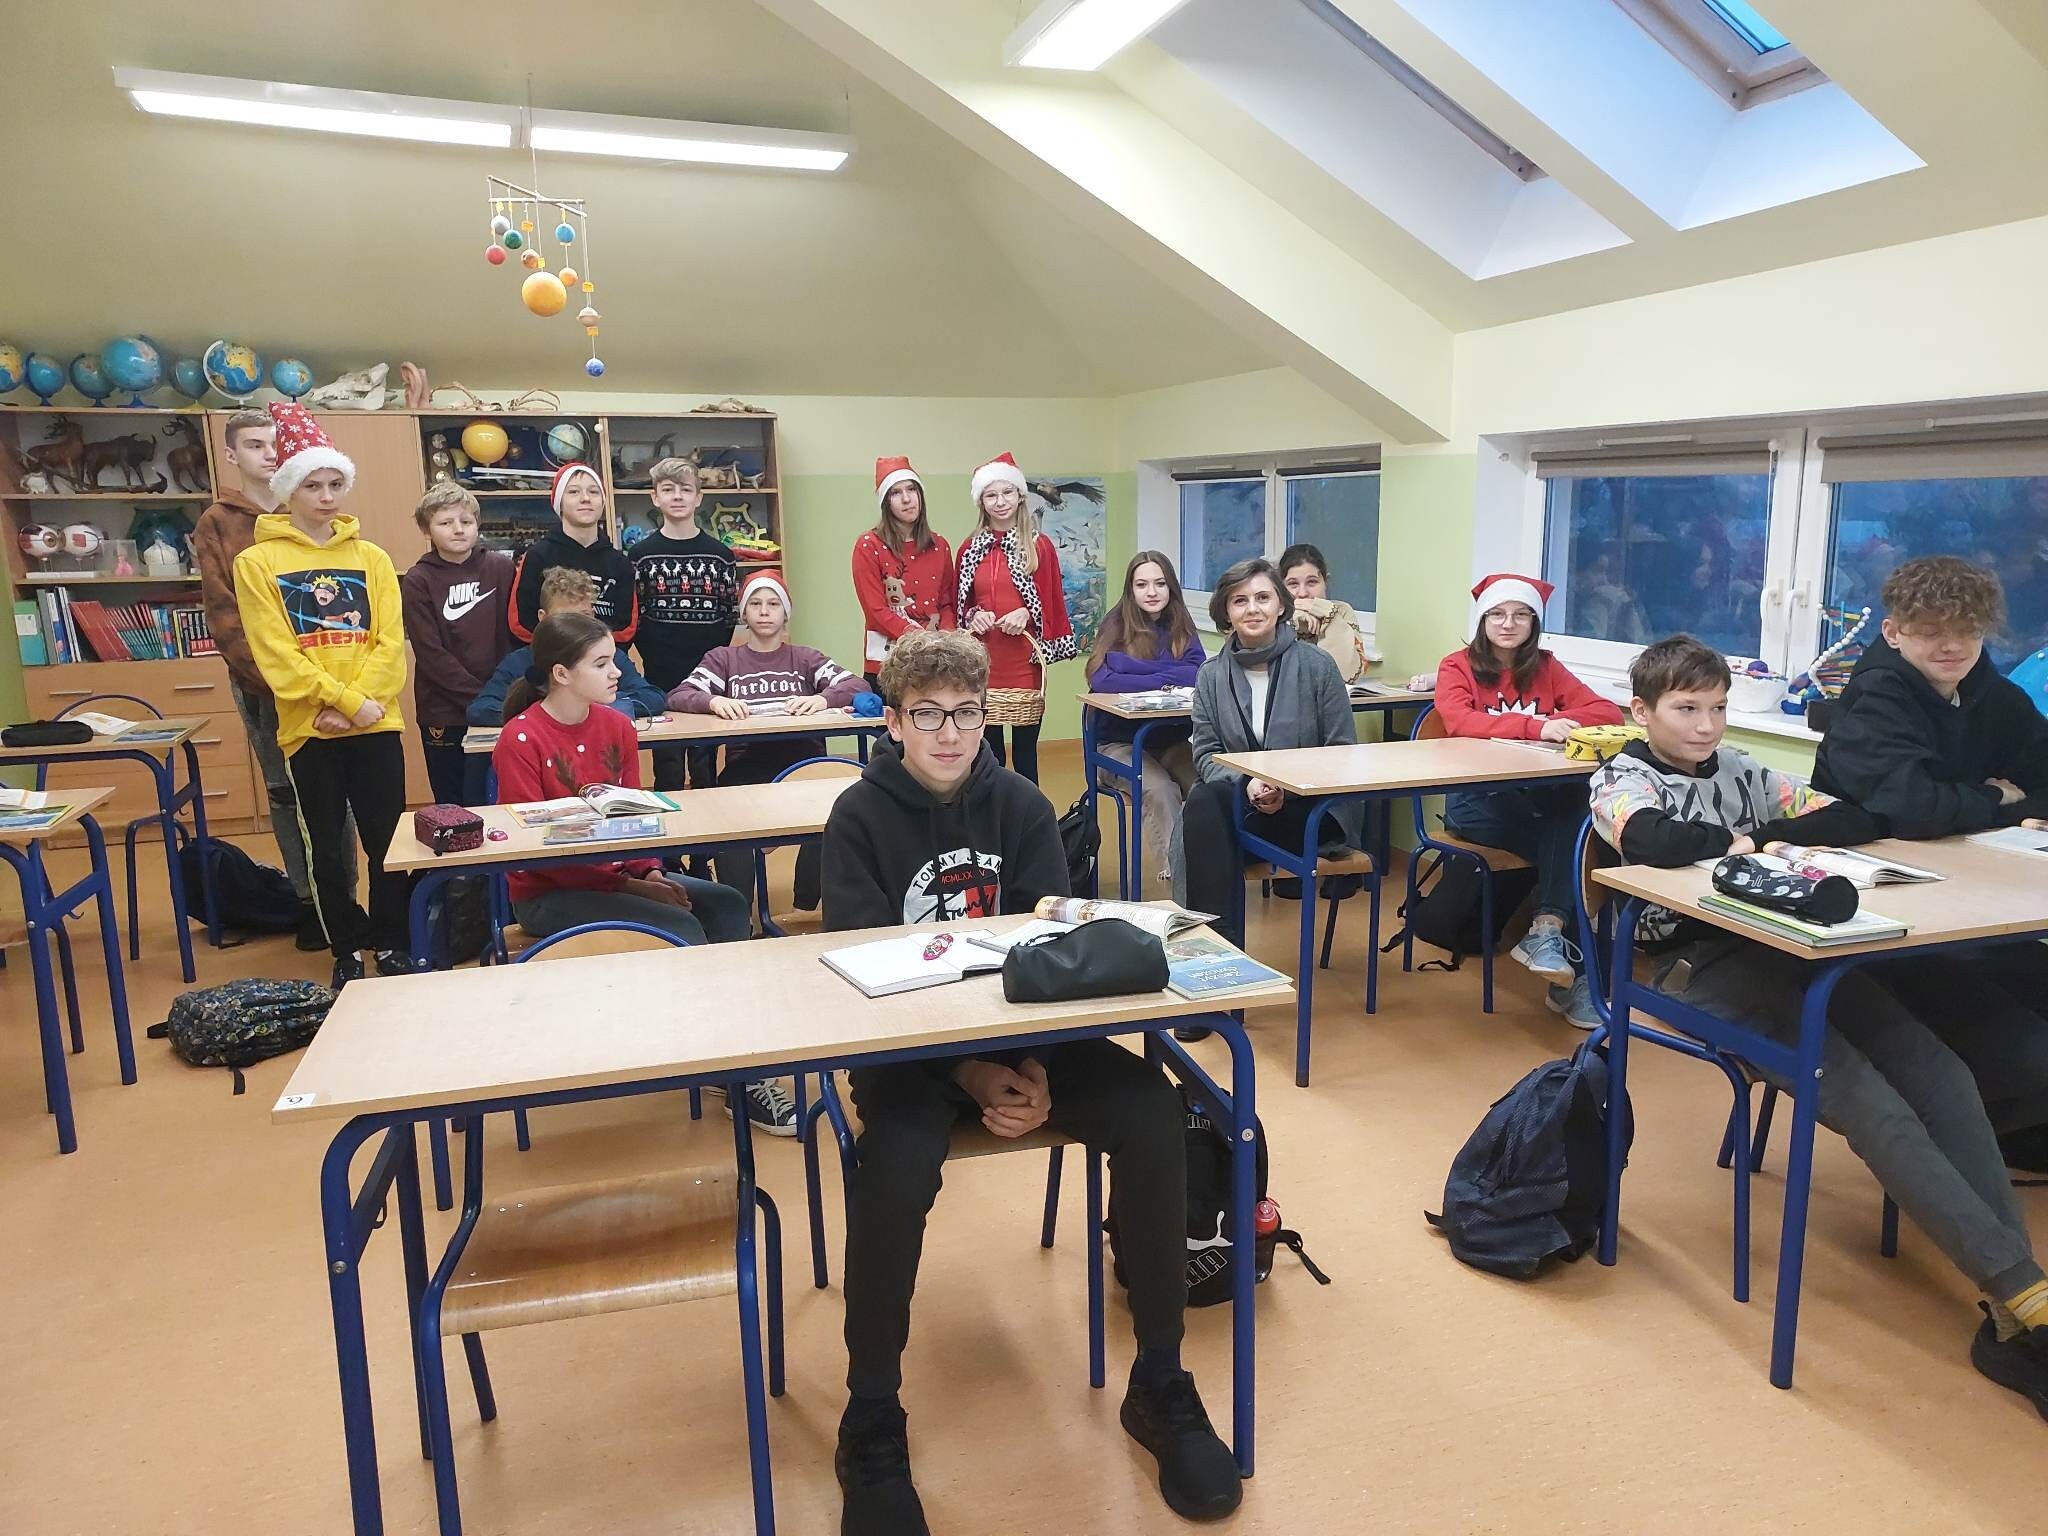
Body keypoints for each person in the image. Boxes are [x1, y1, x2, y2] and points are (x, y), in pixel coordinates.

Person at [820, 628, 1241, 1535]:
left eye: (966, 713)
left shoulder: (1018, 803)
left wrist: (1036, 1069)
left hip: (1027, 1044)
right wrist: (971, 1072)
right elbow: (860, 982)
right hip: (910, 1057)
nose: (949, 733)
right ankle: (871, 1411)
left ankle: (1160, 1378)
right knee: (894, 1161)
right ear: (892, 722)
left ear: (987, 716)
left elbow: (1054, 952)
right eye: (927, 714)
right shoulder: (857, 818)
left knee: (1151, 1108)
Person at [1591, 634, 2048, 1420]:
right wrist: (1754, 841)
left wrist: (1768, 839)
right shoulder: (1620, 777)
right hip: (1695, 967)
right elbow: (1657, 841)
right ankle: (2021, 1293)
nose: (1707, 727)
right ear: (1642, 711)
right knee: (1871, 1102)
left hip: (1794, 950)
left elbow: (1851, 815)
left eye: (1719, 709)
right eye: (1687, 709)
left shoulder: (1741, 770)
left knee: (1941, 1071)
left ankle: (2019, 1299)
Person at [490, 612, 776, 1130]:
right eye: (601, 663)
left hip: (619, 877)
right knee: (682, 926)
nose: (617, 672)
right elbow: (537, 855)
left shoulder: (618, 726)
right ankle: (726, 1065)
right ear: (561, 674)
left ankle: (730, 1045)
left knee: (728, 903)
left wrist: (650, 873)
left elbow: (635, 818)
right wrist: (634, 886)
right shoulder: (521, 738)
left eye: (614, 660)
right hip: (547, 893)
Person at [1811, 554, 2048, 999]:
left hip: (1966, 878)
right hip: (1875, 893)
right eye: (1932, 632)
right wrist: (1995, 799)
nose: (1952, 647)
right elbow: (1916, 812)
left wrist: (2019, 810)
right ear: (1893, 633)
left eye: (1967, 631)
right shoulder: (1874, 701)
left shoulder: (1989, 691)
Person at [231, 403, 410, 987]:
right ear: (289, 488)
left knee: (387, 839)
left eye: (336, 484)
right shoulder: (257, 562)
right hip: (310, 727)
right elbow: (275, 653)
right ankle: (346, 947)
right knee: (327, 845)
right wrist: (341, 703)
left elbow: (390, 643)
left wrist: (358, 706)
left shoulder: (372, 558)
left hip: (376, 722)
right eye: (313, 485)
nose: (327, 496)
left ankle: (392, 939)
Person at [192, 406, 354, 949]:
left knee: (336, 793)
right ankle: (309, 901)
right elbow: (225, 615)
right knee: (286, 793)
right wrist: (280, 682)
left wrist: (332, 685)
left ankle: (343, 897)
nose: (269, 454)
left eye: (274, 444)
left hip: (331, 682)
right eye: (255, 445)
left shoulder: (312, 506)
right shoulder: (219, 522)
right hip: (263, 685)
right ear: (232, 454)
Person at [1432, 572, 1622, 1028]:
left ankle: (1548, 934)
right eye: (1497, 614)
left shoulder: (1546, 667)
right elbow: (1459, 721)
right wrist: (1538, 726)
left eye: (1521, 615)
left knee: (1573, 826)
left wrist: (1563, 717)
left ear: (1534, 624)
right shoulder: (1457, 666)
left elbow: (1606, 712)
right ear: (1482, 621)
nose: (1508, 623)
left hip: (1533, 799)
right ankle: (1574, 979)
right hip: (1475, 801)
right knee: (1577, 853)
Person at [1176, 557, 1364, 971]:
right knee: (1205, 803)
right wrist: (1249, 784)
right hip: (1246, 804)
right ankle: (1217, 960)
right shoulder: (1211, 675)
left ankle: (1214, 961)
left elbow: (1341, 753)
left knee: (1208, 834)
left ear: (1281, 605)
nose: (1253, 609)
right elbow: (1205, 754)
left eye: (1263, 597)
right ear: (1226, 612)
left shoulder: (1317, 666)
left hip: (1311, 809)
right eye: (1240, 600)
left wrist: (1285, 789)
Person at [668, 571, 865, 903]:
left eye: (773, 604)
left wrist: (823, 699)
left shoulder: (806, 658)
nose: (763, 611)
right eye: (755, 604)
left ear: (785, 613)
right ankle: (739, 910)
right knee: (729, 819)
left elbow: (856, 685)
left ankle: (807, 904)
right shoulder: (723, 659)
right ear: (743, 613)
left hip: (806, 765)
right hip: (747, 766)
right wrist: (713, 701)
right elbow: (679, 695)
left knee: (840, 806)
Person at [1087, 551, 1207, 896]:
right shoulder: (1116, 622)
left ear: (1171, 588)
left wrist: (1133, 670)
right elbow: (1101, 678)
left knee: (1208, 785)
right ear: (1131, 589)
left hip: (1169, 742)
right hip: (1117, 746)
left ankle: (1213, 866)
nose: (1151, 592)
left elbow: (1198, 673)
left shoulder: (1181, 624)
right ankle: (1182, 881)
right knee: (1160, 789)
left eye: (1160, 583)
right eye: (1142, 585)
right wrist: (1169, 676)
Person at [954, 452, 1076, 783]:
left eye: (1007, 492)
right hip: (983, 662)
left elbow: (1052, 601)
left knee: (1025, 752)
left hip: (1024, 661)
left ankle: (1028, 813)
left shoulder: (1040, 546)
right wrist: (974, 616)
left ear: (1020, 495)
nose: (1000, 502)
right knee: (988, 752)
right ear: (981, 501)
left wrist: (1026, 612)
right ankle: (990, 810)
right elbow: (961, 604)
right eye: (991, 495)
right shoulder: (969, 548)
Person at [399, 482, 514, 805]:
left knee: (500, 796)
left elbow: (513, 636)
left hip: (501, 705)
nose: (458, 529)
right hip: (444, 712)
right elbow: (430, 653)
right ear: (427, 530)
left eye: (466, 521)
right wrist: (481, 697)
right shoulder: (418, 580)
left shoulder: (501, 568)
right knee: (453, 803)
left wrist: (500, 696)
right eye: (445, 522)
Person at [628, 457, 737, 791]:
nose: (677, 496)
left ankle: (710, 823)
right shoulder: (640, 555)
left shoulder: (720, 556)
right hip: (660, 672)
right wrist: (653, 654)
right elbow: (637, 613)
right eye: (668, 489)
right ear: (655, 497)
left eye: (686, 489)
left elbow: (728, 613)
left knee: (705, 765)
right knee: (668, 766)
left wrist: (711, 661)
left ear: (698, 497)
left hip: (706, 673)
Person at [469, 567, 668, 727]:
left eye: (584, 616)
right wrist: (554, 711)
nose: (577, 626)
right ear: (543, 618)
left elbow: (652, 699)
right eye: (566, 618)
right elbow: (481, 709)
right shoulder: (519, 661)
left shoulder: (611, 657)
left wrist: (587, 705)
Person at [851, 455, 954, 690]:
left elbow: (946, 603)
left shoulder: (940, 545)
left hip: (935, 663)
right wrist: (918, 637)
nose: (907, 499)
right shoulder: (869, 545)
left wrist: (947, 640)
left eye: (911, 489)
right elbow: (876, 611)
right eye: (896, 493)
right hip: (888, 665)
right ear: (885, 502)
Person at [508, 462, 638, 642]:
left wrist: (593, 650)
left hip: (605, 656)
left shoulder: (620, 564)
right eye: (574, 492)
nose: (585, 498)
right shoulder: (537, 557)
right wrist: (563, 647)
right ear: (559, 503)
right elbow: (521, 623)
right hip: (550, 654)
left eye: (594, 492)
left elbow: (625, 628)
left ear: (603, 502)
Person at [1275, 543, 1371, 684]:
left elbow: (1345, 675)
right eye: (1293, 584)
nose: (1303, 593)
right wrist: (1293, 619)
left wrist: (1329, 616)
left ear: (1325, 582)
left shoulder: (1341, 611)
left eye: (1312, 582)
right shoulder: (1273, 615)